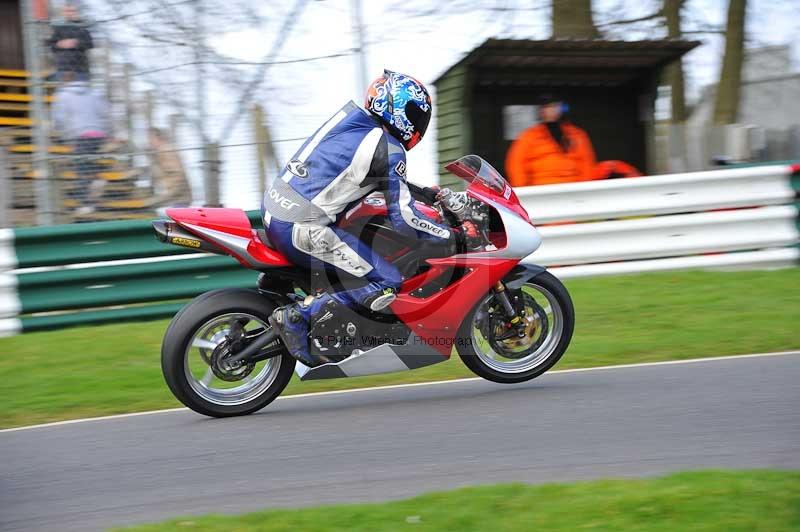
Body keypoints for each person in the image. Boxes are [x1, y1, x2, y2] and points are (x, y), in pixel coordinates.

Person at [263, 70, 478, 368]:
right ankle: (299, 318)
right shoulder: (388, 148)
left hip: (277, 209)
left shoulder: (353, 122)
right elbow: (403, 219)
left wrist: (429, 194)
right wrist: (452, 237)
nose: (418, 124)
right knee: (387, 281)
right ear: (397, 108)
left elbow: (380, 179)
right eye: (415, 114)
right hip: (302, 227)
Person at [505, 94, 596, 186]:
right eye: (546, 107)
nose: (550, 111)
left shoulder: (577, 135)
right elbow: (515, 164)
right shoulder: (529, 136)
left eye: (554, 106)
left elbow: (587, 164)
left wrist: (584, 188)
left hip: (572, 189)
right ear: (541, 111)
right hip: (541, 190)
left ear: (561, 108)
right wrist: (523, 191)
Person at [52, 71, 109, 214]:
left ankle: (86, 204)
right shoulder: (94, 92)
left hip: (79, 135)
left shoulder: (63, 95)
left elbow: (59, 118)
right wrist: (107, 132)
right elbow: (105, 112)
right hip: (97, 134)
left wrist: (66, 136)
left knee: (81, 170)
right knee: (88, 163)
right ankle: (97, 179)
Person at [47, 3, 93, 81]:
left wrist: (75, 43)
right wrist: (60, 44)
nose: (70, 13)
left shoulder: (82, 27)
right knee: (63, 92)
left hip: (80, 69)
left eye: (72, 11)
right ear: (63, 13)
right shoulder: (58, 28)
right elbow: (51, 46)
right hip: (62, 69)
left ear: (76, 12)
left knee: (80, 90)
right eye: (67, 11)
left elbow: (90, 44)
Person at [148, 128, 192, 209]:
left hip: (179, 197)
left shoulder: (167, 151)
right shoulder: (160, 151)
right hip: (174, 196)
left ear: (158, 138)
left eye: (151, 138)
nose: (149, 141)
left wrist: (166, 195)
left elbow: (177, 174)